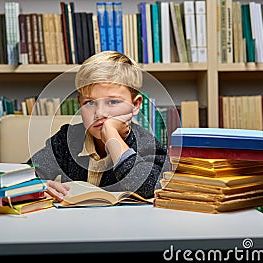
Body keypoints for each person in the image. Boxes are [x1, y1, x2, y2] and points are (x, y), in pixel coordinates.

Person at [29, 51, 170, 202]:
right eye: (89, 103)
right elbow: (21, 176)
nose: (100, 113)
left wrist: (112, 136)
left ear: (135, 105)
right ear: (80, 105)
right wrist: (40, 185)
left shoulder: (148, 144)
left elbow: (150, 188)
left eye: (113, 102)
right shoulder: (66, 139)